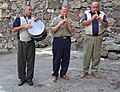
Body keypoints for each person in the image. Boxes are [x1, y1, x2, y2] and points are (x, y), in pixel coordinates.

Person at [79, 1, 108, 79]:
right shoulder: (87, 14)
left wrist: (101, 20)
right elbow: (83, 23)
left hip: (98, 37)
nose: (95, 9)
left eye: (97, 7)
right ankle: (85, 71)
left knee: (96, 55)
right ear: (91, 7)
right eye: (93, 7)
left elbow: (106, 25)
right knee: (87, 55)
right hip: (89, 37)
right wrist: (92, 19)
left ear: (98, 7)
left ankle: (94, 71)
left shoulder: (102, 14)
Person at [11, 5, 38, 86]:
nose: (30, 11)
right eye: (29, 10)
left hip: (31, 43)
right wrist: (24, 26)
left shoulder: (32, 19)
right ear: (24, 11)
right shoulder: (19, 19)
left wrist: (36, 22)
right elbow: (13, 30)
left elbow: (36, 30)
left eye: (31, 10)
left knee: (31, 61)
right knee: (21, 62)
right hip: (22, 43)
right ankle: (22, 78)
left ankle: (29, 78)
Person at [50, 5, 74, 81]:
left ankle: (63, 73)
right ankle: (55, 74)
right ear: (60, 11)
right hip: (58, 40)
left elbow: (71, 32)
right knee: (57, 58)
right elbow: (52, 30)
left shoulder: (69, 20)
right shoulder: (55, 19)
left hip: (67, 40)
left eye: (66, 11)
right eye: (63, 11)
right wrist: (59, 24)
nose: (65, 13)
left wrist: (68, 24)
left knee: (66, 58)